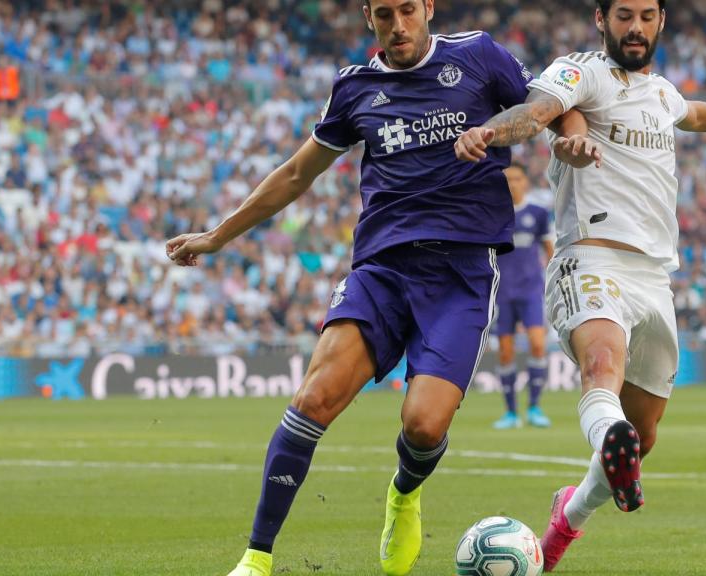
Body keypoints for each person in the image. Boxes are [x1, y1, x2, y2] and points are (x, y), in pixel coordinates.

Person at [167, 1, 582, 574]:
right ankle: (256, 559)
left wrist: (513, 133)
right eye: (384, 13)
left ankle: (404, 493)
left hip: (461, 274)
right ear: (368, 17)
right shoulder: (354, 88)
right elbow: (295, 174)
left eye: (408, 10)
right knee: (312, 400)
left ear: (428, 8)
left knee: (422, 424)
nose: (398, 25)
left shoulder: (479, 56)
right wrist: (217, 236)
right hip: (382, 271)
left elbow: (546, 106)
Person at [454, 0, 706, 570]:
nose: (636, 27)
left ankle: (567, 516)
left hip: (655, 276)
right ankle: (608, 437)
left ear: (661, 22)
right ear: (601, 19)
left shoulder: (660, 92)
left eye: (647, 16)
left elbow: (692, 112)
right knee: (602, 363)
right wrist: (488, 131)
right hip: (591, 257)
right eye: (623, 15)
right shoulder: (580, 72)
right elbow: (537, 113)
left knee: (644, 436)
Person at [492, 163, 555, 429]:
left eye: (517, 178)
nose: (512, 184)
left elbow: (550, 249)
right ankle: (510, 413)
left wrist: (555, 282)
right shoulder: (494, 215)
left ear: (525, 182)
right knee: (506, 352)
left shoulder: (538, 213)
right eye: (507, 180)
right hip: (502, 293)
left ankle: (534, 407)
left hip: (530, 290)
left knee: (538, 345)